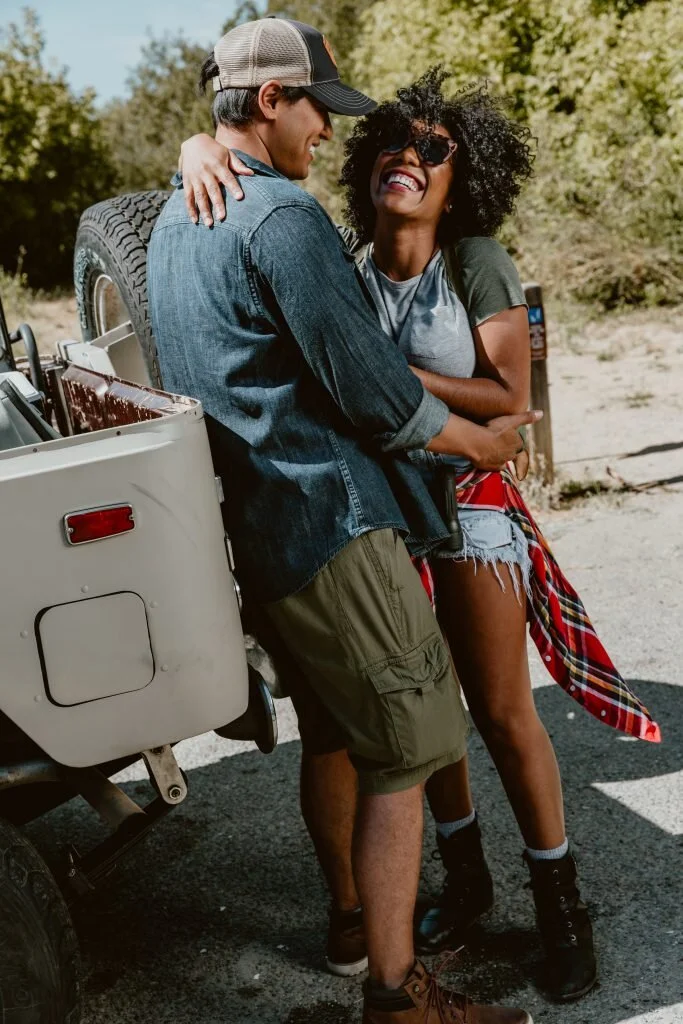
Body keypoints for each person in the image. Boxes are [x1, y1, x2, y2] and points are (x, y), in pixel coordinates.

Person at [180, 61, 661, 1004]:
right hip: (388, 498)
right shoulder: (343, 263)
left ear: (459, 175)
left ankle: (559, 903)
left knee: (496, 709)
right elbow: (231, 152)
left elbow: (507, 401)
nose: (410, 156)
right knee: (424, 716)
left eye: (434, 150)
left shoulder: (475, 262)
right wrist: (198, 145)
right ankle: (467, 882)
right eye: (394, 142)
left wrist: (384, 373)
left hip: (469, 497)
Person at [147, 17, 538, 1024]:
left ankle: (353, 926)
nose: (329, 132)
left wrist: (198, 144)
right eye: (319, 108)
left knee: (334, 731)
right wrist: (477, 443)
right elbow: (372, 393)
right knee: (408, 743)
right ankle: (400, 998)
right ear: (271, 101)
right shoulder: (279, 218)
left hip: (259, 535)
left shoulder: (172, 218)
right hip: (329, 525)